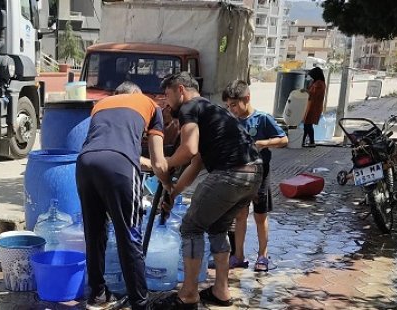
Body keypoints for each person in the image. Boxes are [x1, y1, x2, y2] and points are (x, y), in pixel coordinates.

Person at [154, 72, 263, 309]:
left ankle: (189, 294)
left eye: (167, 95)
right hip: (254, 173)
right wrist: (173, 193)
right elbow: (196, 163)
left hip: (230, 173)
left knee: (191, 227)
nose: (166, 101)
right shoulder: (212, 111)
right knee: (218, 227)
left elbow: (188, 149)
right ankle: (221, 292)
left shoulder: (188, 108)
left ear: (180, 90)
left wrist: (165, 162)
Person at [77, 82, 169, 310]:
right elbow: (158, 161)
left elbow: (106, 144)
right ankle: (140, 303)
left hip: (85, 163)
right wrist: (168, 186)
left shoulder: (101, 105)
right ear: (137, 93)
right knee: (129, 235)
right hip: (119, 166)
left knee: (95, 231)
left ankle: (97, 295)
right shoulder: (150, 104)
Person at [223, 80, 288, 273]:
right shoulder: (231, 120)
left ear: (247, 98)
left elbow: (283, 139)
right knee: (240, 215)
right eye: (228, 106)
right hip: (239, 174)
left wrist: (264, 143)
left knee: (260, 215)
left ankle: (263, 255)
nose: (231, 109)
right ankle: (239, 256)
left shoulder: (262, 119)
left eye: (234, 105)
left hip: (260, 173)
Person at [303, 67, 326, 147]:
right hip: (312, 106)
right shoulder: (317, 82)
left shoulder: (319, 84)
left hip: (314, 107)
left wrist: (306, 91)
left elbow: (313, 94)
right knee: (307, 124)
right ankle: (306, 141)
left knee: (308, 124)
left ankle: (310, 141)